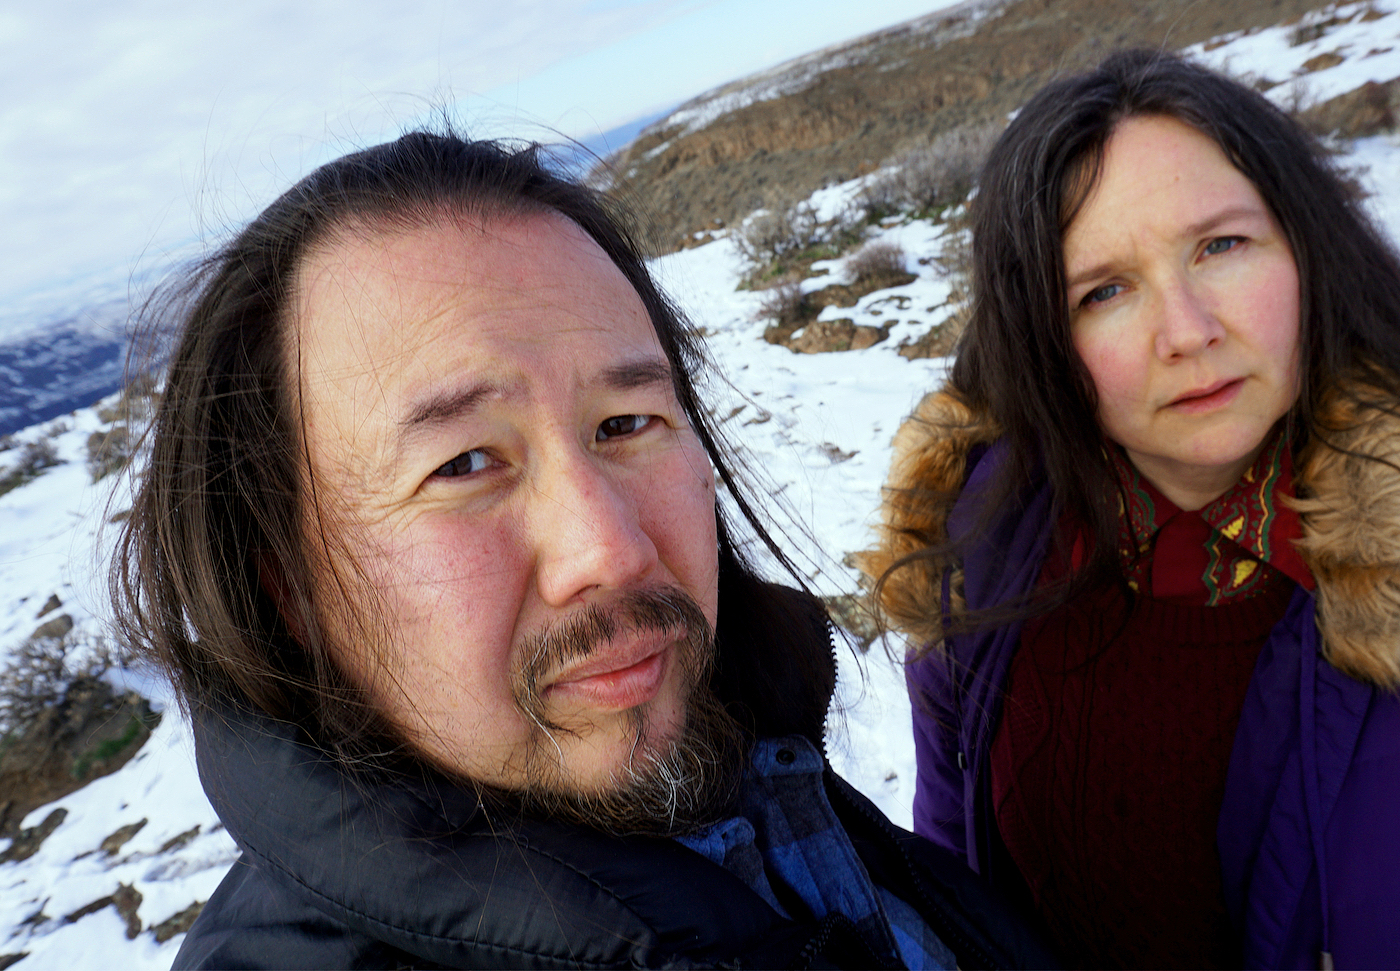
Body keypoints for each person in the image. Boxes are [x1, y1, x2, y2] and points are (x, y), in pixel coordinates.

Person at [111, 132, 1052, 970]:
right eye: (465, 463)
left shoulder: (765, 778)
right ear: (289, 589)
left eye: (626, 421)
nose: (611, 547)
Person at [858, 49, 1400, 970]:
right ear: (1040, 337)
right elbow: (952, 860)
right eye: (1104, 291)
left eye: (1221, 245)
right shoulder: (982, 531)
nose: (1187, 331)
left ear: (1307, 245)